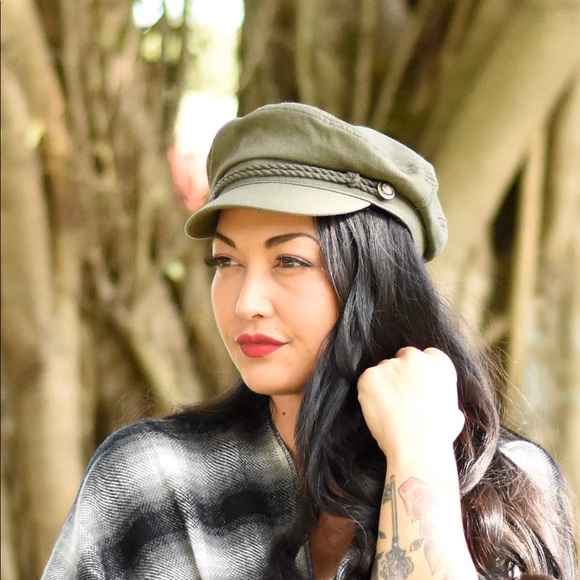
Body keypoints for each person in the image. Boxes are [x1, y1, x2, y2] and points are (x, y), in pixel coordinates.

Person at [43, 103, 577, 580]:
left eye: (290, 261)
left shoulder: (508, 485)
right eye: (226, 261)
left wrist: (418, 453)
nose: (246, 301)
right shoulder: (151, 481)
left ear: (377, 282)